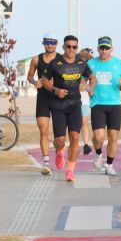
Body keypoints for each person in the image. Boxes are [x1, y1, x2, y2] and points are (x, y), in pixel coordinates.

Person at [42, 35, 96, 182]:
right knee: (60, 140)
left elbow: (92, 77)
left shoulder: (81, 63)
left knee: (74, 138)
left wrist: (91, 89)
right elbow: (44, 79)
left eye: (74, 47)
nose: (71, 49)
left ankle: (70, 171)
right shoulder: (55, 63)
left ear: (77, 48)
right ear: (64, 47)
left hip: (74, 105)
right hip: (58, 106)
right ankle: (59, 151)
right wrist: (55, 90)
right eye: (68, 46)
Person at [87, 36, 121, 176]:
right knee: (99, 137)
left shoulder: (119, 64)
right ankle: (98, 153)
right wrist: (85, 87)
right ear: (97, 49)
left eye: (107, 48)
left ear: (111, 49)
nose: (104, 50)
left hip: (114, 105)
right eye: (101, 48)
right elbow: (82, 80)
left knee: (113, 137)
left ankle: (109, 164)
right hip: (97, 104)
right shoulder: (90, 63)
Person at [26, 32, 58, 175]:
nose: (50, 45)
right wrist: (35, 82)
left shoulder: (61, 59)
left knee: (60, 137)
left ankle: (59, 150)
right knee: (43, 132)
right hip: (43, 99)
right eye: (47, 42)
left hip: (59, 100)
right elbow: (29, 76)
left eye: (52, 42)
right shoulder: (36, 59)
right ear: (43, 43)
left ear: (57, 44)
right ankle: (46, 163)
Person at [78, 48, 94, 155]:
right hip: (71, 98)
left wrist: (88, 88)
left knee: (84, 122)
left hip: (84, 99)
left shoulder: (87, 67)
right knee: (71, 123)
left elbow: (92, 79)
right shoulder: (72, 66)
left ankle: (86, 144)